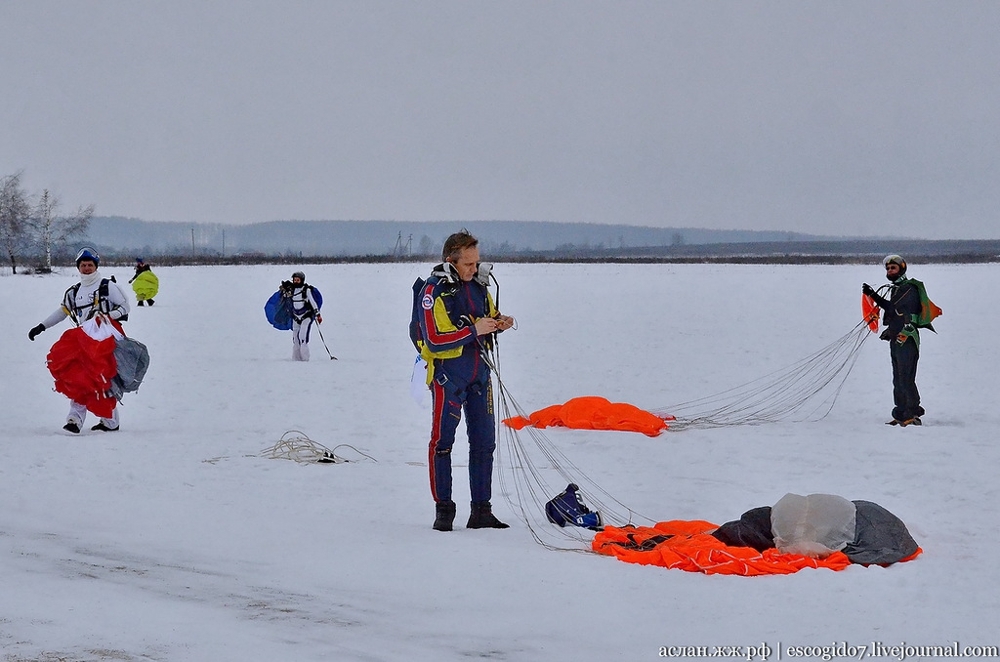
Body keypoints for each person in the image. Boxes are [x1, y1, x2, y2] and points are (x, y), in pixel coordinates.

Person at [416, 230, 515, 531]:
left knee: (485, 443)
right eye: (469, 264)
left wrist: (500, 323)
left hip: (479, 377)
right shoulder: (433, 292)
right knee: (442, 443)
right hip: (449, 378)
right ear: (451, 261)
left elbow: (488, 317)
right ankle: (444, 510)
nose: (474, 269)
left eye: (477, 263)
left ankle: (481, 510)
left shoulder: (478, 287)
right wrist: (475, 331)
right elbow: (433, 339)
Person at [27, 247, 131, 433]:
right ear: (78, 267)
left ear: (96, 266)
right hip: (83, 341)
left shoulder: (108, 286)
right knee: (78, 378)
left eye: (90, 265)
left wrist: (107, 316)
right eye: (83, 265)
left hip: (104, 342)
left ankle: (110, 421)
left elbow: (125, 307)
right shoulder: (74, 292)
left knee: (102, 381)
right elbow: (62, 312)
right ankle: (74, 420)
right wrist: (42, 326)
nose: (87, 268)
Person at [862, 255, 926, 426]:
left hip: (908, 338)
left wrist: (873, 295)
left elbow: (894, 308)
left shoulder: (909, 289)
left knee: (906, 376)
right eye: (888, 269)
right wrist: (890, 330)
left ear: (902, 269)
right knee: (897, 377)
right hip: (896, 338)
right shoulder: (896, 289)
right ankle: (900, 412)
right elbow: (894, 313)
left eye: (893, 268)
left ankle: (912, 412)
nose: (890, 271)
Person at [279, 271, 322, 361]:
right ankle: (296, 358)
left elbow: (312, 302)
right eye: (294, 280)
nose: (296, 282)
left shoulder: (306, 290)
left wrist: (317, 314)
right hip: (295, 316)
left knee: (303, 337)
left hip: (306, 316)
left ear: (302, 280)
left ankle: (305, 358)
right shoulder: (291, 290)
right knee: (295, 339)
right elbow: (285, 299)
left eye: (298, 280)